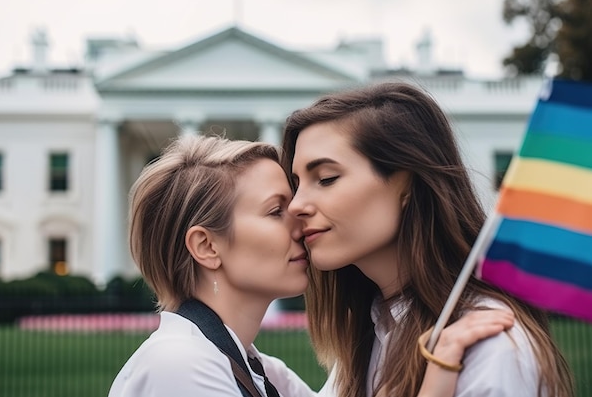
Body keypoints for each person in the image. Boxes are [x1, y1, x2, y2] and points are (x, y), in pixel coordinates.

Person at [108, 134, 515, 397]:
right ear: (206, 246)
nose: (302, 219)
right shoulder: (180, 366)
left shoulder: (259, 369)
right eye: (275, 211)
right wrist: (439, 371)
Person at [282, 81, 574, 397]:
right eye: (296, 184)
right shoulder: (374, 332)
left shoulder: (491, 345)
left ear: (406, 183)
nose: (296, 205)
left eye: (326, 179)